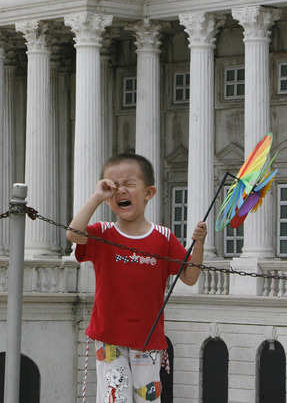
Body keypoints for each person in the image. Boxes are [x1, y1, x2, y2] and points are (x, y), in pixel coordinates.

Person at [67, 153, 207, 403]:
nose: (121, 190)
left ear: (149, 193)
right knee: (115, 399)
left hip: (148, 339)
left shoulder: (163, 237)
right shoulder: (103, 232)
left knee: (147, 400)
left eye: (130, 184)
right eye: (113, 185)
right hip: (109, 337)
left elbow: (190, 277)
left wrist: (198, 244)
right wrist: (97, 196)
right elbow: (74, 234)